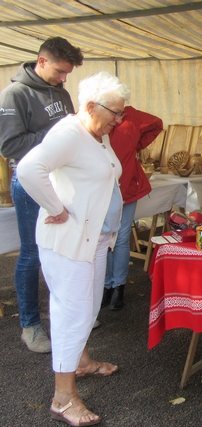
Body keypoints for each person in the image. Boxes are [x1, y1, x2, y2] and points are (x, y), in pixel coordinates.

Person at [17, 71, 130, 427]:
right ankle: (63, 397)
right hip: (70, 242)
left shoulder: (97, 134)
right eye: (115, 112)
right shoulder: (70, 132)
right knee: (72, 313)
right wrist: (55, 208)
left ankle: (81, 362)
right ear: (91, 106)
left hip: (94, 240)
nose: (120, 119)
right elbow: (29, 168)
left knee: (88, 307)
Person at [0, 37, 84, 353]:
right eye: (61, 71)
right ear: (42, 60)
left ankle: (65, 314)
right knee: (32, 253)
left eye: (67, 74)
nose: (64, 79)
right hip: (30, 183)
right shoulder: (14, 94)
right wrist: (57, 137)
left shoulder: (60, 92)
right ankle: (30, 325)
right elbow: (9, 146)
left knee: (62, 250)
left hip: (62, 181)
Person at [102, 106, 163, 311]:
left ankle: (117, 286)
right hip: (100, 188)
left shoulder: (131, 115)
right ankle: (106, 285)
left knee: (120, 238)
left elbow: (156, 124)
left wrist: (136, 146)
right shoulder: (92, 117)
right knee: (103, 238)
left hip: (126, 185)